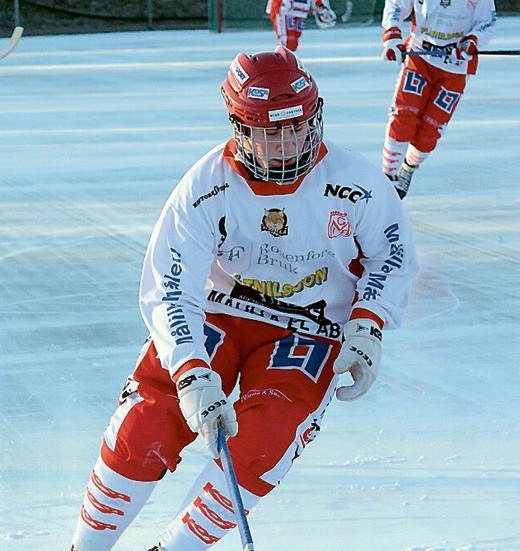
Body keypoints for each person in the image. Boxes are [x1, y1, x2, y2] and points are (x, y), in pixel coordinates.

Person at [70, 45, 418, 551]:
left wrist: (367, 326)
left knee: (264, 439)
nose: (286, 142)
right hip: (221, 312)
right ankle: (87, 546)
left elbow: (392, 255)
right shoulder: (205, 187)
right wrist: (190, 372)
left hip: (310, 327)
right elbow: (170, 286)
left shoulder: (356, 182)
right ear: (239, 126)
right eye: (269, 130)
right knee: (148, 422)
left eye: (296, 126)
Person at [381, 0, 496, 198]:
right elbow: (396, 5)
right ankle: (387, 177)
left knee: (430, 130)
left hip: (456, 67)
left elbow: (487, 23)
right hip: (420, 57)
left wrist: (471, 41)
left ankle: (407, 169)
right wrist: (392, 37)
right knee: (404, 115)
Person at [266, 0, 336, 51]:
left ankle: (286, 60)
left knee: (293, 44)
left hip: (301, 10)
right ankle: (281, 60)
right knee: (286, 40)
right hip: (285, 10)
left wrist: (320, 6)